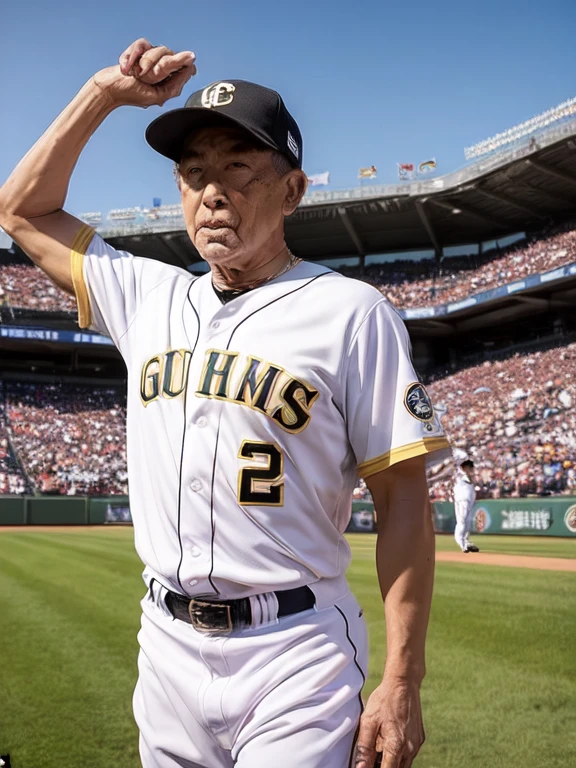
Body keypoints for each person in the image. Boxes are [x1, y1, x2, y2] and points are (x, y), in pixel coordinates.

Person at [0, 39, 451, 768]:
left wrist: (402, 677)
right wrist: (102, 94)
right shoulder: (147, 294)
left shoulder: (351, 311)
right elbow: (21, 209)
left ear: (292, 191)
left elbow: (404, 502)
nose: (211, 192)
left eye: (238, 168)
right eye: (193, 173)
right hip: (167, 643)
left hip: (295, 651)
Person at [453, 459, 479, 553]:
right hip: (462, 500)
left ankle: (466, 543)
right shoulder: (460, 474)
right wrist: (469, 473)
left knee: (467, 522)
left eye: (471, 467)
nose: (471, 469)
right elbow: (469, 479)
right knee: (462, 521)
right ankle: (462, 544)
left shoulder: (468, 475)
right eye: (469, 467)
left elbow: (473, 482)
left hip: (468, 501)